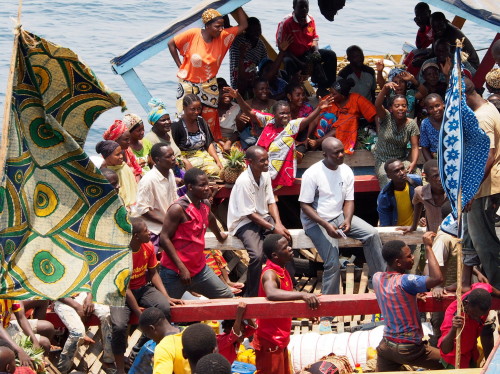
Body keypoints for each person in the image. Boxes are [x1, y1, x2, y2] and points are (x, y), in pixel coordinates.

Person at [299, 137, 385, 297]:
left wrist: (347, 219)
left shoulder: (346, 170)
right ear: (325, 154)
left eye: (341, 151)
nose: (341, 155)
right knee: (332, 260)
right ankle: (328, 310)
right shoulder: (312, 173)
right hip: (315, 221)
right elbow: (305, 206)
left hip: (338, 215)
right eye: (336, 153)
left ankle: (379, 282)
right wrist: (325, 225)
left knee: (372, 234)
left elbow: (349, 200)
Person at [111, 217, 181, 374]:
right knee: (119, 326)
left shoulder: (148, 246)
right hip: (120, 293)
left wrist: (166, 296)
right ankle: (121, 368)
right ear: (135, 236)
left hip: (142, 288)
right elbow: (124, 287)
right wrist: (137, 311)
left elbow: (153, 272)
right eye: (145, 231)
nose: (149, 233)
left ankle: (161, 351)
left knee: (164, 307)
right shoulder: (121, 253)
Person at [228, 87, 334, 188]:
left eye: (287, 113)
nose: (285, 116)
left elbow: (307, 120)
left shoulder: (292, 126)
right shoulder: (269, 121)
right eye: (282, 113)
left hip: (278, 173)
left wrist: (319, 108)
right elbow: (250, 111)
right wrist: (238, 97)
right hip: (261, 169)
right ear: (274, 114)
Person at [168, 7, 247, 133]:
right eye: (217, 26)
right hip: (188, 84)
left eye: (222, 26)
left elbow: (244, 25)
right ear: (207, 25)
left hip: (209, 85)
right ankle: (185, 145)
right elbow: (171, 43)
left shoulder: (223, 37)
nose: (221, 29)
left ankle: (208, 145)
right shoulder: (193, 34)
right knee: (184, 118)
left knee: (209, 119)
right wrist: (180, 66)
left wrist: (237, 6)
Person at [159, 168, 234, 299]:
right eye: (202, 185)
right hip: (174, 272)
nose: (207, 188)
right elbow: (164, 238)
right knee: (168, 311)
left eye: (207, 184)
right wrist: (182, 268)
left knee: (227, 297)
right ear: (190, 187)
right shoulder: (178, 209)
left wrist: (219, 235)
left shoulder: (204, 203)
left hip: (199, 269)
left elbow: (210, 218)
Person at [373, 234, 444, 371]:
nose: (413, 258)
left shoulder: (377, 278)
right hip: (409, 349)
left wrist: (411, 296)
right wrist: (428, 246)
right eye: (409, 256)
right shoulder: (406, 281)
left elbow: (392, 292)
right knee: (451, 363)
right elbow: (437, 278)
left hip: (387, 347)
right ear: (398, 262)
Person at [227, 146, 291, 296]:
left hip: (262, 217)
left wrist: (279, 224)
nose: (267, 163)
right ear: (249, 162)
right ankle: (252, 294)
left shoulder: (265, 175)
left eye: (267, 159)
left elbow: (271, 202)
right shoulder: (244, 181)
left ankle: (285, 286)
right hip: (244, 222)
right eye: (262, 160)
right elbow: (249, 214)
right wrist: (273, 227)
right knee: (256, 255)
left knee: (285, 242)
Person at [254, 234, 320, 374]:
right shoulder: (270, 274)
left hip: (281, 338)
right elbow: (272, 293)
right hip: (270, 339)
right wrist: (303, 294)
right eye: (285, 247)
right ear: (275, 255)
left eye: (289, 245)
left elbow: (287, 299)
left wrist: (304, 313)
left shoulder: (283, 270)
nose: (290, 249)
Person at [463, 76, 500, 291]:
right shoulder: (488, 109)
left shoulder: (482, 117)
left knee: (484, 243)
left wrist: (472, 188)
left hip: (485, 187)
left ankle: (496, 286)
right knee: (480, 239)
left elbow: (489, 154)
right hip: (487, 185)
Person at [276, 0, 337, 91]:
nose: (304, 9)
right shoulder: (286, 23)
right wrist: (300, 63)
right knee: (288, 62)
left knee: (330, 55)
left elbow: (314, 39)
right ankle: (292, 90)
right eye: (301, 7)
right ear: (294, 7)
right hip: (292, 55)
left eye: (306, 7)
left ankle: (325, 87)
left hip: (307, 53)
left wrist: (316, 51)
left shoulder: (311, 20)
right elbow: (282, 49)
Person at [309, 78, 376, 154]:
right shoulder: (327, 100)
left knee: (349, 118)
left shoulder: (356, 99)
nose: (330, 95)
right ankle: (316, 143)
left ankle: (318, 142)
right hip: (324, 133)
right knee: (328, 116)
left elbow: (374, 114)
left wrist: (380, 133)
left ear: (343, 96)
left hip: (346, 131)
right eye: (330, 92)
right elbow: (314, 117)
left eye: (334, 94)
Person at [373, 83, 420, 188]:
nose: (400, 108)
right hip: (384, 161)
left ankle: (416, 203)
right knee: (388, 180)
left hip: (401, 160)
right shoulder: (386, 117)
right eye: (397, 105)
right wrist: (384, 89)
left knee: (417, 179)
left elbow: (415, 146)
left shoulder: (411, 124)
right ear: (391, 108)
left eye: (404, 106)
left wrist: (413, 163)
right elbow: (377, 104)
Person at [134, 144, 179, 252]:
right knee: (151, 256)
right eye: (169, 156)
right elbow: (143, 210)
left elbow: (174, 198)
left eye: (173, 155)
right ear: (158, 160)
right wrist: (166, 222)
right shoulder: (148, 180)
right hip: (154, 229)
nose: (173, 158)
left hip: (168, 225)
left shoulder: (170, 173)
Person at [54, 293, 113, 373]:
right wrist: (77, 306)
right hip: (62, 300)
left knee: (107, 315)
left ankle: (109, 360)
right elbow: (53, 292)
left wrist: (90, 297)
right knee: (77, 332)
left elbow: (93, 281)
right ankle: (62, 369)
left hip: (85, 295)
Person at [171, 94, 225, 178]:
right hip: (187, 157)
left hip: (203, 153)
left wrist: (218, 160)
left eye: (199, 109)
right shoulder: (176, 125)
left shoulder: (201, 120)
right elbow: (174, 149)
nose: (196, 112)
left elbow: (208, 144)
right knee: (215, 170)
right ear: (184, 107)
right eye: (192, 109)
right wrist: (185, 161)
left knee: (227, 166)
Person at [439, 287, 493, 368]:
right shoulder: (453, 315)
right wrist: (453, 329)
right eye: (474, 314)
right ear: (466, 303)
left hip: (472, 354)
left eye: (481, 315)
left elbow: (488, 287)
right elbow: (445, 350)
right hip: (454, 360)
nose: (477, 318)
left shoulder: (483, 294)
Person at [0, 300, 55, 369]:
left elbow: (21, 317)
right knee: (44, 342)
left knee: (47, 328)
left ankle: (41, 364)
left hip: (7, 326)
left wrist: (34, 341)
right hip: (1, 332)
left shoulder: (11, 295)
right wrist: (19, 350)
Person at [398, 159, 447, 234]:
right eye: (435, 176)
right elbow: (417, 204)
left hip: (451, 237)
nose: (440, 179)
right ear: (427, 179)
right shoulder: (421, 192)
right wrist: (414, 226)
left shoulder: (453, 194)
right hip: (432, 236)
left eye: (442, 175)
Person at [138, 307, 187, 374]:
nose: (148, 337)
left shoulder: (163, 348)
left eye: (146, 334)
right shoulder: (190, 331)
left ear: (152, 328)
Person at [229, 17, 268, 97]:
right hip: (238, 78)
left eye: (258, 30)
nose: (256, 33)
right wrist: (242, 55)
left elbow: (265, 64)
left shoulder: (261, 45)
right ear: (246, 30)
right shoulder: (237, 40)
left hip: (253, 78)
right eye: (253, 31)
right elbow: (227, 26)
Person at [377, 159, 422, 227]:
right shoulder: (384, 196)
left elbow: (424, 205)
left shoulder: (416, 182)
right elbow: (386, 225)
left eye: (402, 168)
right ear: (389, 176)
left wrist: (422, 219)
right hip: (397, 231)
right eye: (396, 171)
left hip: (416, 227)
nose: (402, 173)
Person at [96, 140, 137, 208]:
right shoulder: (106, 174)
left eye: (121, 153)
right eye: (117, 154)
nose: (121, 156)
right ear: (108, 157)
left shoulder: (124, 166)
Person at [238, 79, 276, 149]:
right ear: (254, 91)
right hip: (251, 139)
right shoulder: (247, 104)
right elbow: (240, 128)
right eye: (261, 89)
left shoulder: (274, 104)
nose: (265, 91)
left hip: (271, 137)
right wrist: (239, 119)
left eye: (267, 88)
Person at [216, 78, 241, 152]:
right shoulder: (211, 108)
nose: (227, 94)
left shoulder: (237, 108)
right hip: (215, 140)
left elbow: (237, 132)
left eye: (229, 92)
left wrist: (228, 143)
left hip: (232, 140)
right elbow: (209, 131)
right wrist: (221, 143)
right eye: (223, 92)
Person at [420, 94, 445, 161]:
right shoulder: (425, 123)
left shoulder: (452, 120)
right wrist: (431, 164)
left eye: (437, 106)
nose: (435, 110)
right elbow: (424, 147)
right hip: (435, 159)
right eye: (431, 108)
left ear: (443, 104)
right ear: (427, 109)